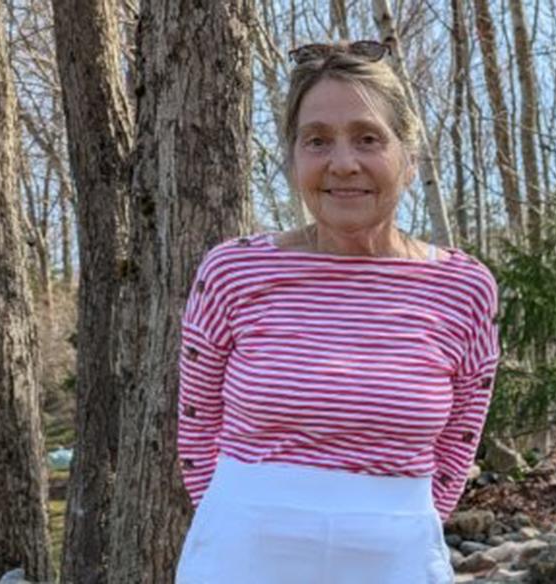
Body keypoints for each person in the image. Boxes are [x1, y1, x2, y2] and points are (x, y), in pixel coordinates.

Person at [174, 39, 500, 583]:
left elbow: (458, 441)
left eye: (368, 138)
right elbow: (197, 425)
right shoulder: (233, 271)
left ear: (408, 158)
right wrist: (244, 519)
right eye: (317, 140)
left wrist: (395, 527)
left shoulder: (463, 287)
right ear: (293, 157)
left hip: (395, 560)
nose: (343, 163)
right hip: (242, 555)